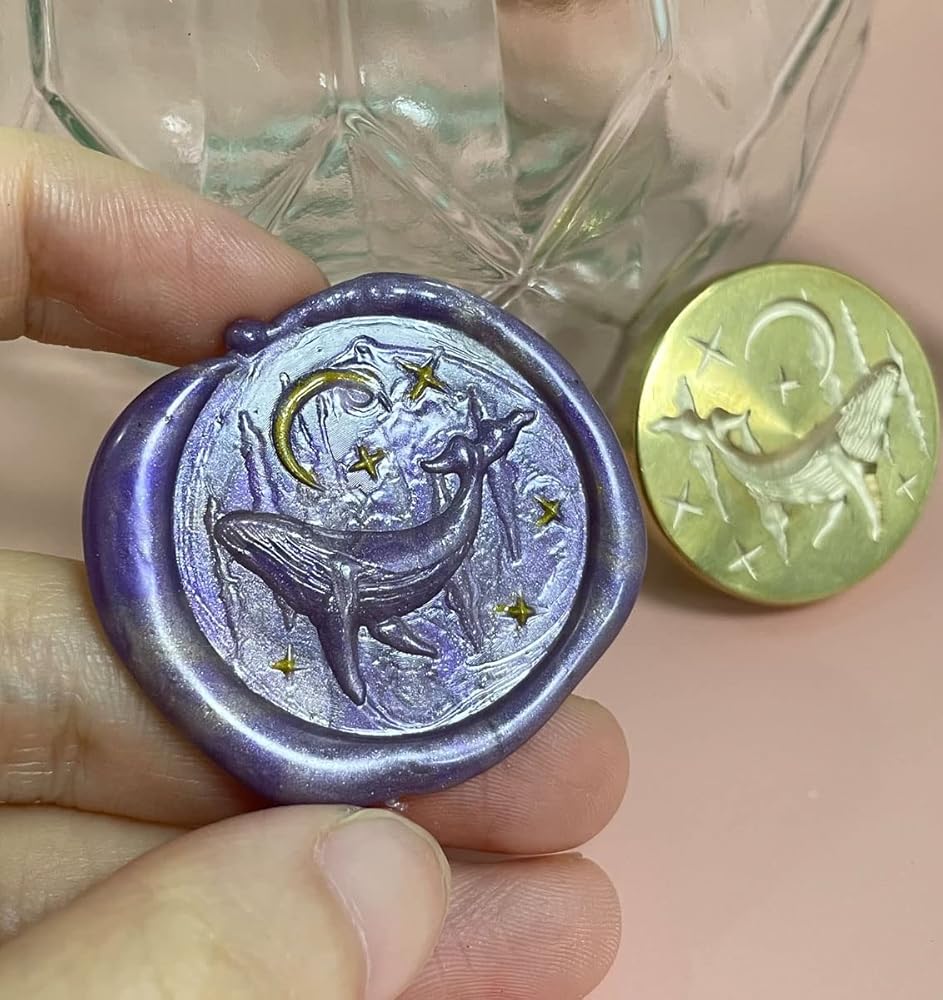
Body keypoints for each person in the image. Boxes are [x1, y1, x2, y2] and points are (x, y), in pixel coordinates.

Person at [0, 129, 627, 999]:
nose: (246, 546)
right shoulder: (303, 569)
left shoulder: (338, 571)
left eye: (257, 544)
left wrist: (362, 670)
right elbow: (326, 598)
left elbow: (343, 618)